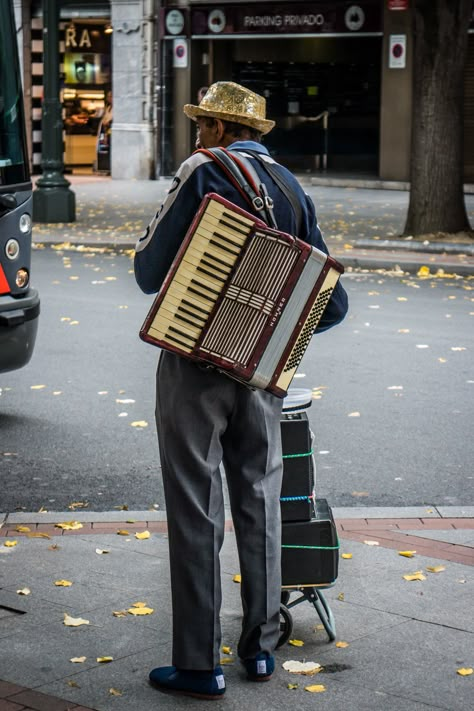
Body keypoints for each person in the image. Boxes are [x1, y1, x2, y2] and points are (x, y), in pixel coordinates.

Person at [134, 81, 348, 700]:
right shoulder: (291, 186)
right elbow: (330, 303)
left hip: (196, 365)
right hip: (262, 373)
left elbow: (149, 272)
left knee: (196, 508)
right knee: (260, 502)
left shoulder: (202, 170)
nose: (198, 135)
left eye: (204, 125)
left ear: (221, 131)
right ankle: (259, 650)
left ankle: (199, 665)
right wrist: (270, 329)